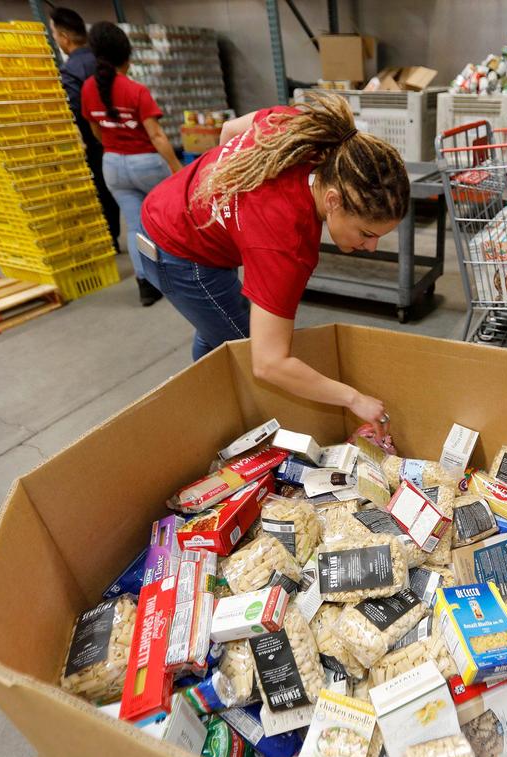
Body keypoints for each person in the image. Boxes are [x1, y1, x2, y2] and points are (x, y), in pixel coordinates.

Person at [136, 93, 409, 436]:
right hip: (176, 249)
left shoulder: (301, 129)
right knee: (242, 349)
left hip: (169, 201)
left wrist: (228, 208)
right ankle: (222, 431)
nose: (372, 247)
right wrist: (353, 399)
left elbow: (229, 131)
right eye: (367, 233)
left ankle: (206, 395)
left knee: (219, 329)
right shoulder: (286, 244)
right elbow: (269, 364)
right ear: (333, 200)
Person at [81, 21, 181, 306]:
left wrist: (115, 146)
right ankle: (178, 276)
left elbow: (96, 131)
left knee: (136, 225)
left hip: (112, 164)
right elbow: (157, 135)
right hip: (146, 163)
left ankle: (146, 286)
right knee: (167, 221)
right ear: (127, 55)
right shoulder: (135, 91)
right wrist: (176, 169)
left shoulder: (89, 89)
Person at [49, 7, 121, 253]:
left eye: (54, 34)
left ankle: (108, 240)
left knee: (101, 191)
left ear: (64, 37)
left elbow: (78, 113)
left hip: (96, 145)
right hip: (120, 144)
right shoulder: (107, 64)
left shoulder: (72, 71)